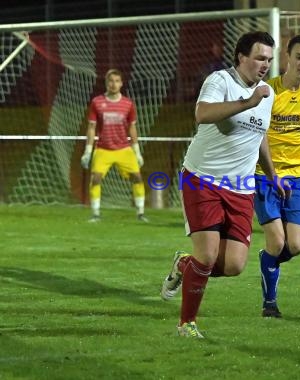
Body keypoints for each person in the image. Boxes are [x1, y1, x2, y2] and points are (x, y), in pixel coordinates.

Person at [159, 31, 285, 338]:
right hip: (203, 178)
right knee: (207, 254)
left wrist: (272, 175)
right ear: (242, 57)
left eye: (268, 59)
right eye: (259, 58)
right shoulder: (220, 81)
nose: (264, 64)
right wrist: (247, 102)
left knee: (233, 265)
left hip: (241, 188)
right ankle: (187, 324)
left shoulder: (267, 93)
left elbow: (260, 137)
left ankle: (183, 264)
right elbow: (202, 114)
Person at [255, 35, 300, 318]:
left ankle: (268, 261)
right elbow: (256, 133)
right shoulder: (267, 92)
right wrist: (270, 174)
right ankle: (269, 303)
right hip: (265, 175)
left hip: (297, 176)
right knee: (277, 242)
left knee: (295, 245)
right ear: (287, 57)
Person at [80, 69, 147, 222]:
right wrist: (87, 151)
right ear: (106, 83)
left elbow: (132, 128)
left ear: (121, 84)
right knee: (95, 178)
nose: (114, 84)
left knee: (137, 177)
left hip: (124, 148)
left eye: (117, 81)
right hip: (103, 148)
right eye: (111, 81)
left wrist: (137, 152)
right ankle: (96, 214)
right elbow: (91, 127)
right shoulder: (97, 102)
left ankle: (141, 214)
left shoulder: (128, 104)